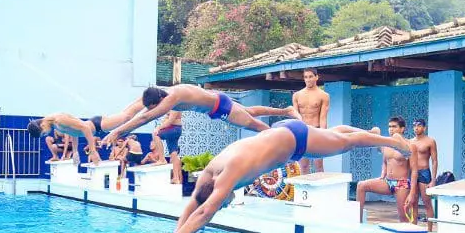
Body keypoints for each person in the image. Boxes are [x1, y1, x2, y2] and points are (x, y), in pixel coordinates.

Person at [155, 121, 411, 233]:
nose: (223, 204)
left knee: (345, 144)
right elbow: (193, 205)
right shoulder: (210, 172)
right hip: (282, 135)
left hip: (292, 139)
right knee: (332, 136)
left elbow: (204, 211)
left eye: (223, 203)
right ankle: (370, 132)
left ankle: (391, 141)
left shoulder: (228, 176)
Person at [100, 84, 297, 147]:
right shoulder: (163, 92)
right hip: (219, 102)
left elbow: (145, 118)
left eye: (154, 107)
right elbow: (139, 112)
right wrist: (118, 124)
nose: (154, 110)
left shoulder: (173, 96)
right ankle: (285, 110)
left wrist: (117, 132)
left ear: (158, 102)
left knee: (254, 126)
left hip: (221, 108)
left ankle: (286, 139)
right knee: (251, 112)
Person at [356, 117, 414, 223]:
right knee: (361, 185)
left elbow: (414, 170)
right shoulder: (386, 144)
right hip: (387, 182)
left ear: (402, 129)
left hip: (402, 184)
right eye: (389, 126)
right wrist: (383, 174)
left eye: (394, 127)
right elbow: (385, 161)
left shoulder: (409, 145)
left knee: (403, 217)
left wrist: (412, 193)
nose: (391, 129)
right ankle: (358, 221)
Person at [293, 68, 331, 173]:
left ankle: (321, 189)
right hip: (302, 132)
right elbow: (296, 117)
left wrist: (324, 135)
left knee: (318, 166)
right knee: (303, 166)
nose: (308, 79)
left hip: (316, 131)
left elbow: (323, 117)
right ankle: (304, 190)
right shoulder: (297, 95)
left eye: (310, 77)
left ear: (316, 77)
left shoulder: (323, 95)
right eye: (306, 77)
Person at [27, 113, 104, 163]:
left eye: (43, 133)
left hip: (98, 124)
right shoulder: (55, 124)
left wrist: (92, 151)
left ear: (42, 126)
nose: (46, 134)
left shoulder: (59, 121)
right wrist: (75, 152)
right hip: (96, 127)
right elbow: (74, 132)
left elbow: (86, 128)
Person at [405, 118, 439, 229]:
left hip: (424, 173)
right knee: (413, 202)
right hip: (412, 173)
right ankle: (413, 227)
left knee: (427, 203)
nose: (416, 128)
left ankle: (429, 229)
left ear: (424, 127)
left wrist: (433, 180)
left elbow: (434, 161)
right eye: (414, 125)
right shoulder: (410, 141)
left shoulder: (430, 141)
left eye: (419, 125)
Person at [154, 111, 184, 184]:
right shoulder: (173, 106)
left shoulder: (175, 106)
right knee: (173, 153)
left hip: (172, 129)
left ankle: (162, 159)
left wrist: (158, 128)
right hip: (174, 129)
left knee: (155, 134)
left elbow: (170, 121)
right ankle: (176, 178)